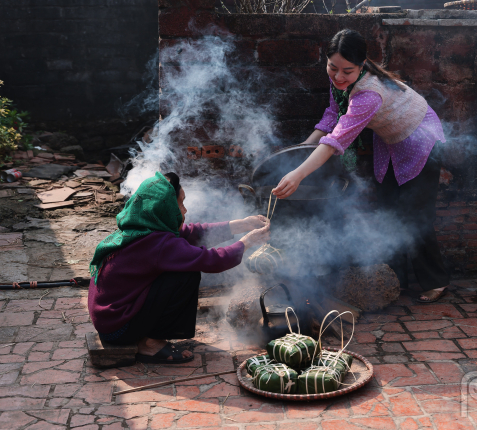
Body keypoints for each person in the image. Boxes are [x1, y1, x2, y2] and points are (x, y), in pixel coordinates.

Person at [272, 29, 448, 303]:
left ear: (362, 66)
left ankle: (434, 280)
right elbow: (332, 116)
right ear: (327, 60)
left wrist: (298, 173)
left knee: (415, 216)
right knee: (389, 210)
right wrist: (300, 152)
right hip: (392, 142)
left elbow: (335, 141)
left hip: (421, 140)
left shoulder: (369, 94)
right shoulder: (340, 80)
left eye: (347, 71)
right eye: (333, 68)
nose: (339, 76)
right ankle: (394, 278)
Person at [88, 171, 270, 363]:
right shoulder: (159, 244)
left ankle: (147, 335)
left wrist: (243, 224)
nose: (185, 210)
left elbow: (194, 233)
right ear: (164, 207)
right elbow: (212, 260)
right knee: (186, 275)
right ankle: (150, 344)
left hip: (109, 319)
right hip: (118, 329)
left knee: (178, 268)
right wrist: (247, 242)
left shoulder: (141, 225)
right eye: (181, 203)